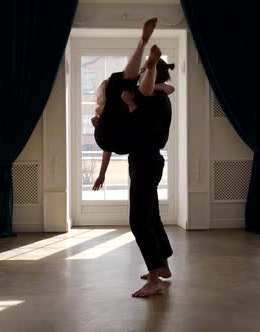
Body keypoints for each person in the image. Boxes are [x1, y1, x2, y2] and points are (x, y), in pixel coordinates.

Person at [93, 57, 176, 298]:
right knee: (152, 216)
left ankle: (153, 280)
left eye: (143, 72)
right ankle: (162, 267)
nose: (139, 76)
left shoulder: (156, 100)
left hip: (146, 162)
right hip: (145, 161)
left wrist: (130, 105)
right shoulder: (157, 97)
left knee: (139, 222)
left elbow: (145, 130)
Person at [92, 17, 162, 155]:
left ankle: (145, 53)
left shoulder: (108, 105)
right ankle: (149, 61)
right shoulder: (116, 96)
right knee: (140, 95)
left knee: (135, 92)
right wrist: (130, 104)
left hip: (110, 139)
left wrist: (102, 174)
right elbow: (137, 122)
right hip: (126, 139)